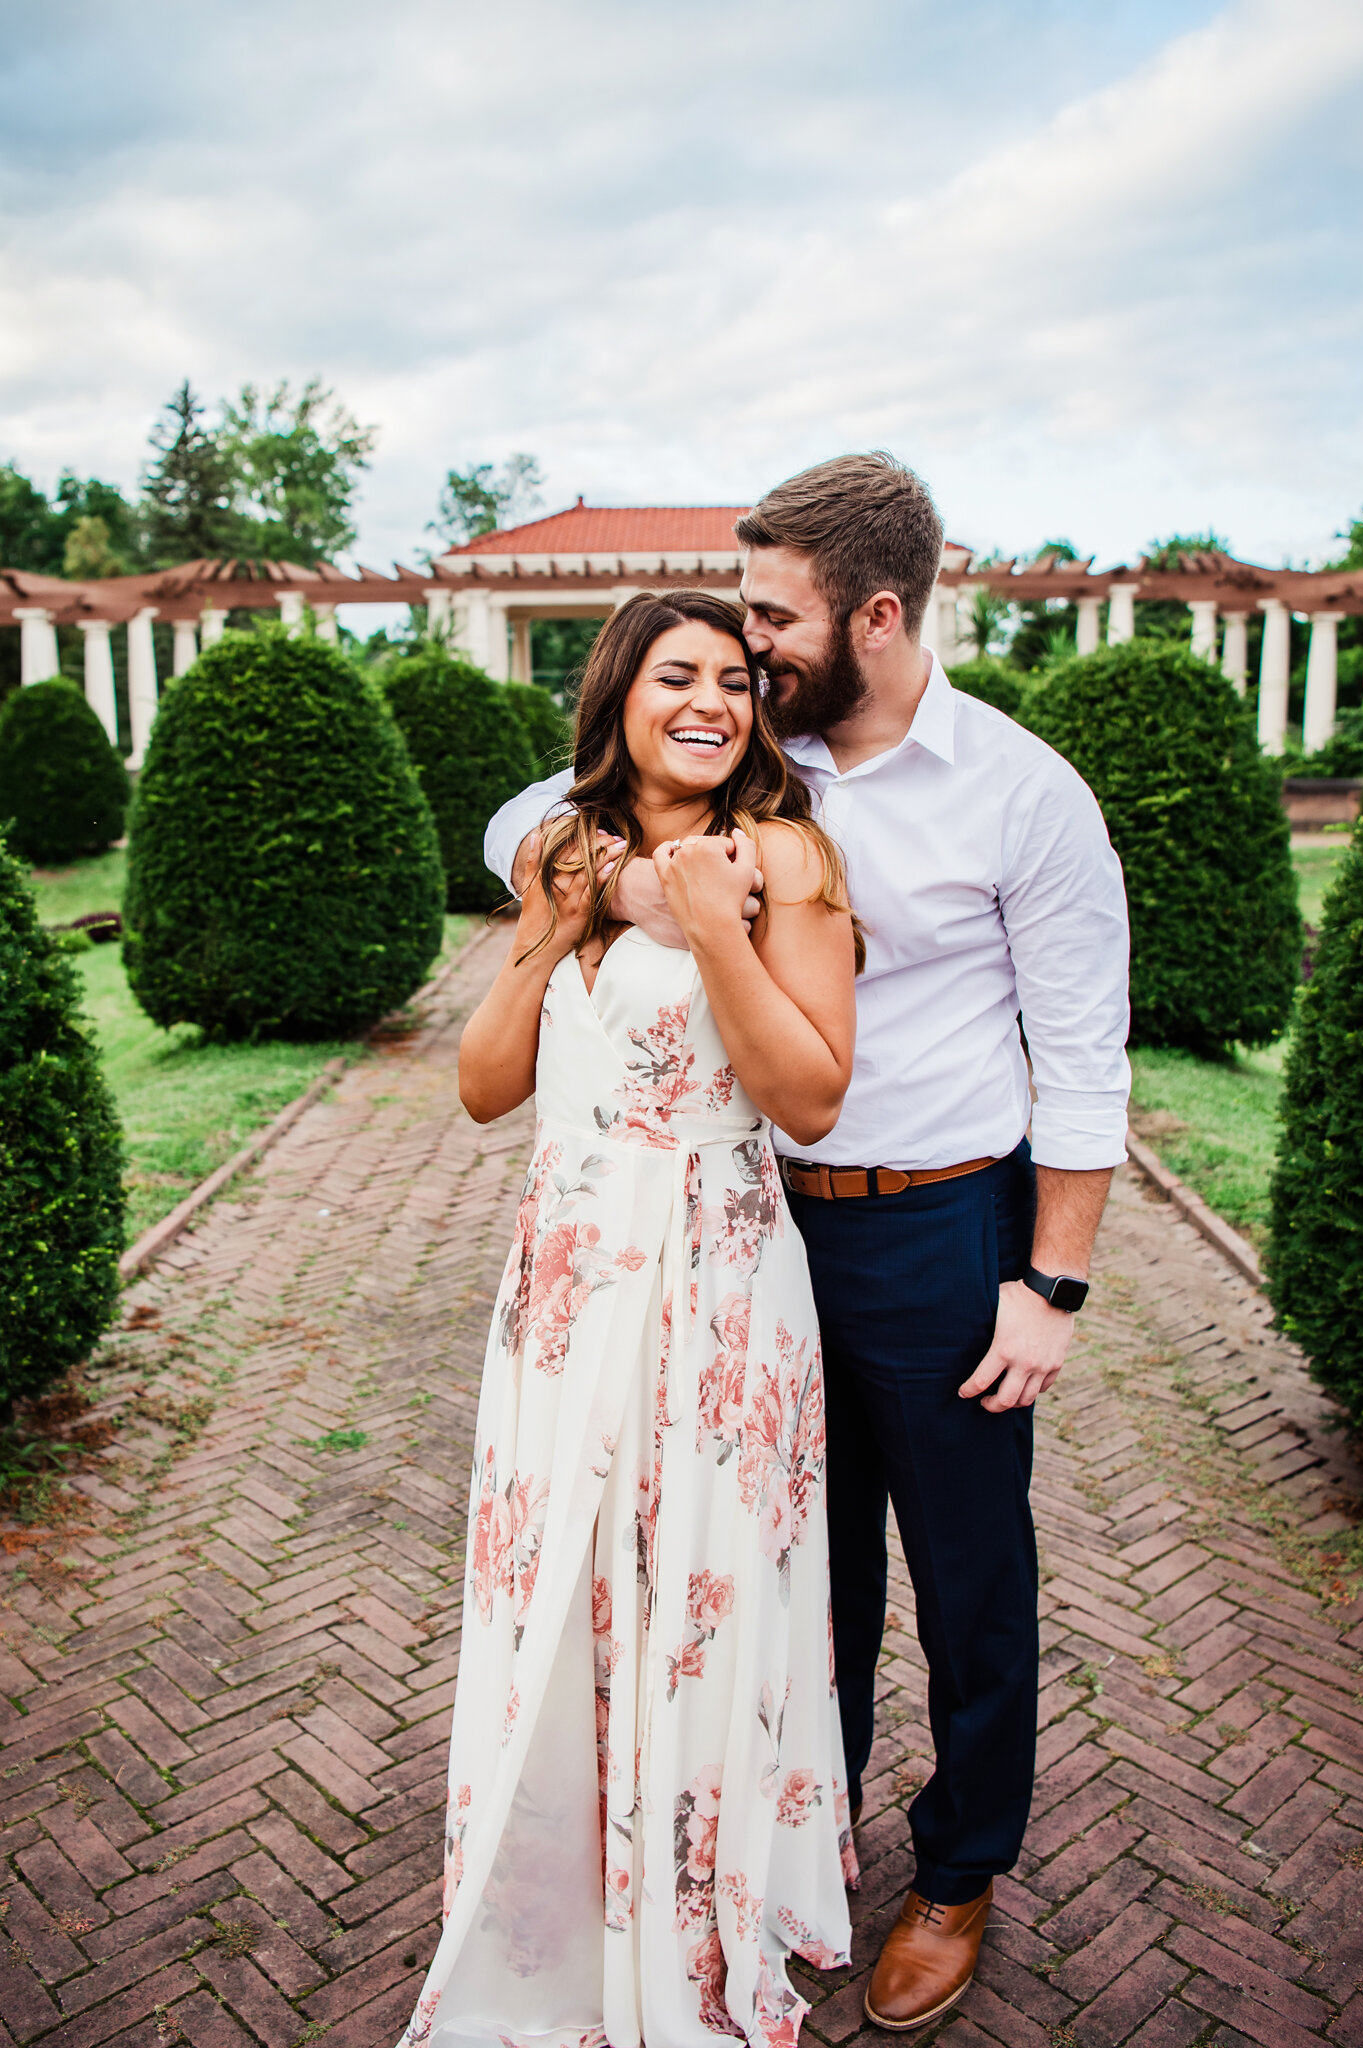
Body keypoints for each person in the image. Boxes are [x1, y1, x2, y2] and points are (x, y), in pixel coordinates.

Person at [485, 454, 1131, 2033]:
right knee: (790, 1569)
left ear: (880, 614)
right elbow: (537, 806)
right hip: (748, 1234)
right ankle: (795, 1841)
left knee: (969, 1578)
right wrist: (630, 881)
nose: (751, 642)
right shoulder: (760, 755)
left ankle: (961, 1874)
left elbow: (1088, 1058)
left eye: (774, 613)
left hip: (940, 1229)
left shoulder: (1020, 793)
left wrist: (1050, 1282)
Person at [400, 590, 861, 2048]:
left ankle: (693, 1910)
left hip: (714, 1277)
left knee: (697, 1583)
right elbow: (484, 1086)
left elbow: (809, 1097)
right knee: (566, 1582)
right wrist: (558, 920)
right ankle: (566, 1879)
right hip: (564, 1277)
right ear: (618, 694)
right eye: (679, 676)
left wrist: (716, 924)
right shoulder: (563, 848)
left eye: (737, 679)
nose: (713, 702)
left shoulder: (785, 857)